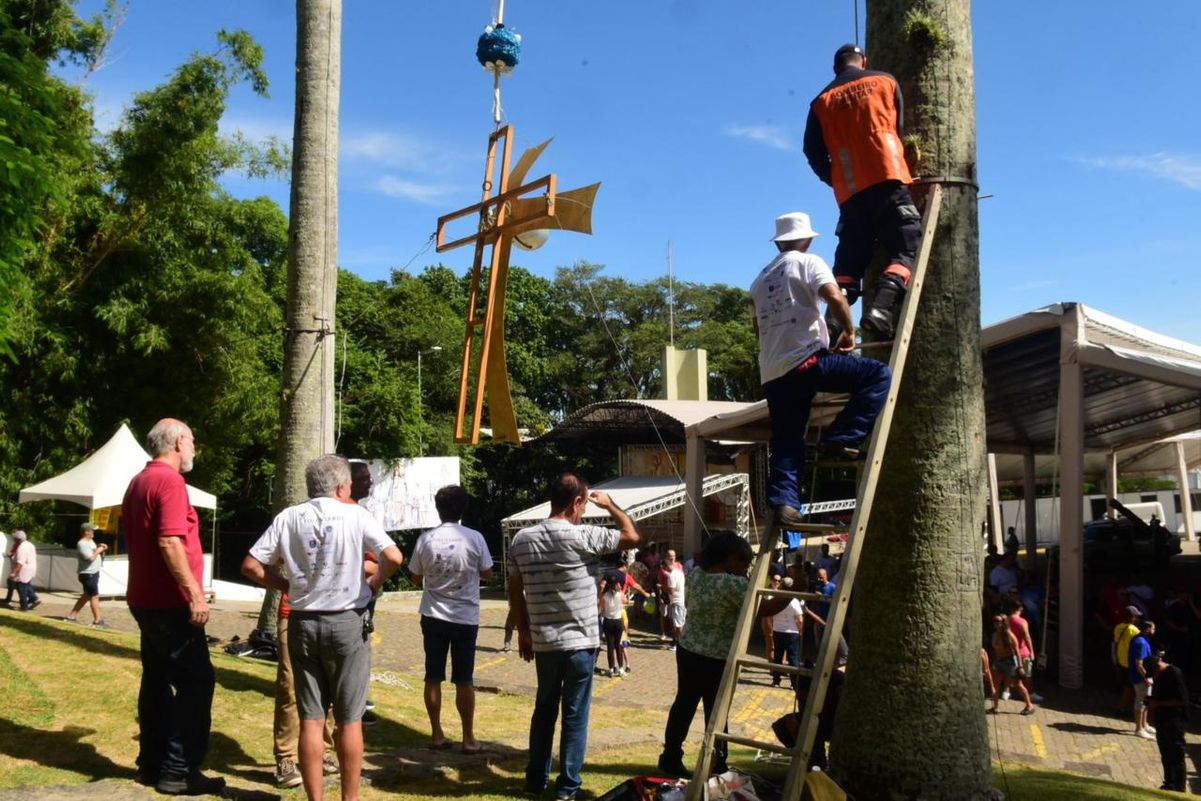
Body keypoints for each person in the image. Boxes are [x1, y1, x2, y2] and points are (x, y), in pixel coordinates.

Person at [242, 454, 403, 801]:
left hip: (302, 621)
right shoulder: (356, 515)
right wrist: (375, 581)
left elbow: (251, 565)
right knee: (350, 719)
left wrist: (285, 586)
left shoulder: (289, 517)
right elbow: (393, 557)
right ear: (342, 486)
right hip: (347, 620)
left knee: (311, 719)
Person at [750, 211, 891, 528]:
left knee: (787, 439)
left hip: (773, 373)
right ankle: (843, 437)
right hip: (807, 360)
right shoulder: (808, 262)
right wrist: (849, 332)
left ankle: (785, 504)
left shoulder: (759, 280)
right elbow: (835, 298)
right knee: (877, 375)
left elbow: (759, 330)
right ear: (807, 239)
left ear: (779, 243)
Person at [507, 473, 640, 801]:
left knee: (544, 710)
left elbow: (514, 589)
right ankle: (567, 788)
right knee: (575, 714)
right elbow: (632, 536)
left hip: (544, 641)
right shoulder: (585, 536)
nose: (584, 511)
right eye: (584, 505)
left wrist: (523, 631)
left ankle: (535, 781)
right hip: (580, 641)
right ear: (577, 502)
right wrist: (610, 505)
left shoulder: (521, 539)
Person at [123, 418, 223, 794]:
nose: (195, 448)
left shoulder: (139, 480)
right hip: (169, 602)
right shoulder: (169, 481)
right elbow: (169, 541)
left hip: (145, 598)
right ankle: (179, 769)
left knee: (157, 680)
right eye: (192, 440)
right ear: (179, 442)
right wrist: (194, 593)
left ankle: (152, 763)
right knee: (197, 681)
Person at [802, 43, 921, 341]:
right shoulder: (885, 81)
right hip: (889, 179)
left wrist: (835, 178)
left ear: (835, 68)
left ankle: (832, 324)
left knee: (849, 263)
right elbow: (898, 128)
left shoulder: (820, 102)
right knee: (907, 248)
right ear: (863, 61)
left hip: (851, 194)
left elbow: (812, 152)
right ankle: (881, 309)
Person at [658, 532, 792, 779]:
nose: (744, 569)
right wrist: (792, 591)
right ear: (730, 558)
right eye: (743, 563)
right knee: (717, 712)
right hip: (717, 656)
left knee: (683, 705)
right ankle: (717, 763)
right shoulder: (733, 585)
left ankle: (670, 757)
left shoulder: (695, 575)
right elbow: (765, 609)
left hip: (689, 649)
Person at [408, 485, 494, 754]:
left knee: (433, 676)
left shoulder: (426, 539)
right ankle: (468, 737)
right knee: (464, 679)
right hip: (465, 616)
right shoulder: (475, 538)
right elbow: (489, 573)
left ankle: (436, 733)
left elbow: (414, 577)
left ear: (438, 509)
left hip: (433, 614)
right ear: (463, 508)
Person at [1145, 653, 1189, 792]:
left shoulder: (1174, 673)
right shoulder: (1159, 676)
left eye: (1154, 673)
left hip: (1175, 721)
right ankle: (1168, 782)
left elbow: (1182, 701)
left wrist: (1158, 703)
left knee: (1176, 754)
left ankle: (1179, 786)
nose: (1154, 676)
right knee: (1165, 753)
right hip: (1161, 720)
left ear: (1158, 667)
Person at [987, 613, 1035, 715]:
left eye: (998, 621)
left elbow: (1017, 652)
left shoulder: (1010, 636)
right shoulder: (994, 635)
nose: (995, 623)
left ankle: (1029, 705)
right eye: (994, 621)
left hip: (1010, 662)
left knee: (1018, 685)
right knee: (996, 684)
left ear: (1003, 623)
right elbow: (995, 650)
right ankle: (995, 707)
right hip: (999, 662)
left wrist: (1020, 666)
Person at [66, 522, 109, 626]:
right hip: (88, 574)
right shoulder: (81, 544)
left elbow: (93, 551)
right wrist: (98, 550)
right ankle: (98, 620)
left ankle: (71, 616)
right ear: (86, 532)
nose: (93, 532)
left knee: (86, 595)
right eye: (92, 530)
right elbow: (90, 558)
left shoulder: (90, 541)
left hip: (93, 573)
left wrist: (100, 546)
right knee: (94, 596)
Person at [1129, 620, 1156, 739]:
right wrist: (1147, 677)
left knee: (1146, 701)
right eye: (1153, 628)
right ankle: (1139, 729)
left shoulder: (1143, 639)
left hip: (1145, 676)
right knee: (1140, 701)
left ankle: (1144, 724)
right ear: (1148, 629)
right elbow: (1139, 663)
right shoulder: (1140, 642)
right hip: (1140, 677)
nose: (1154, 631)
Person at [1113, 605, 1142, 715]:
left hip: (1121, 660)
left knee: (1127, 686)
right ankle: (1121, 708)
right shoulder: (1134, 630)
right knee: (1130, 687)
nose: (1137, 618)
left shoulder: (1118, 627)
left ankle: (1124, 707)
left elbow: (1116, 643)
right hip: (1131, 662)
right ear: (1131, 617)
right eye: (1136, 616)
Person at [598, 574, 626, 677]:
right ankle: (621, 668)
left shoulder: (605, 596)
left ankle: (611, 669)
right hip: (618, 621)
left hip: (608, 621)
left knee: (610, 646)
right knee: (618, 645)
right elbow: (626, 601)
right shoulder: (621, 594)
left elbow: (600, 609)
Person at [8, 530, 39, 611]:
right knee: (26, 585)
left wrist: (13, 573)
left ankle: (24, 606)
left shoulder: (22, 548)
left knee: (21, 588)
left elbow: (20, 562)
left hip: (24, 571)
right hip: (31, 568)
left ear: (18, 539)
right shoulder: (30, 545)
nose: (14, 540)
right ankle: (33, 598)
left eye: (15, 539)